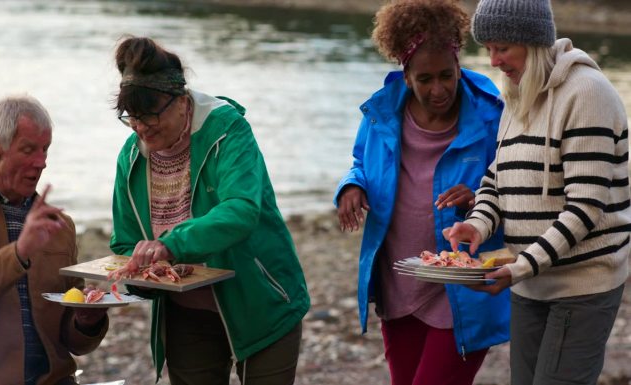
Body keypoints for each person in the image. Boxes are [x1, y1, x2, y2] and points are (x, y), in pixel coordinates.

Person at [444, 1, 631, 384]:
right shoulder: (519, 93)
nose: (493, 61)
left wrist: (519, 267)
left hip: (581, 284)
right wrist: (478, 225)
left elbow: (585, 207)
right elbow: (498, 178)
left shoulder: (587, 94)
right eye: (489, 49)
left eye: (502, 48)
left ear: (533, 42)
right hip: (529, 282)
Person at [107, 36, 310, 384]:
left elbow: (241, 210)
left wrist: (171, 244)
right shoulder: (130, 158)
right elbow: (126, 243)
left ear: (181, 100)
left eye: (151, 113)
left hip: (261, 301)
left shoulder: (228, 131)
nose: (142, 126)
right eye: (133, 117)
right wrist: (142, 276)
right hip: (185, 314)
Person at [334, 1, 510, 384]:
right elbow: (362, 163)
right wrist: (351, 185)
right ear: (406, 74)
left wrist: (479, 198)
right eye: (425, 78)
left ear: (459, 64)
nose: (439, 89)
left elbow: (514, 187)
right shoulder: (381, 113)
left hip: (463, 291)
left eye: (447, 75)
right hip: (400, 280)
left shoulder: (493, 115)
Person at [0, 95, 109, 385]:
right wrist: (19, 252)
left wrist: (88, 322)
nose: (42, 162)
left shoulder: (60, 226)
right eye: (29, 149)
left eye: (46, 149)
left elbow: (73, 342)